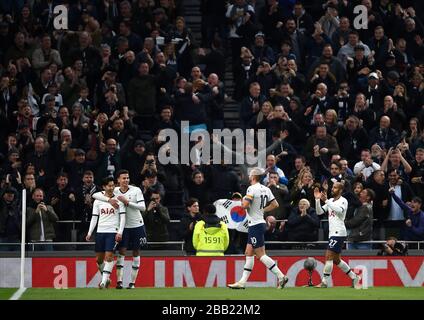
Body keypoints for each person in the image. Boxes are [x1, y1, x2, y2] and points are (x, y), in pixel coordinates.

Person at [228, 167, 289, 289]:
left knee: (261, 255)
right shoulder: (266, 189)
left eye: (250, 174)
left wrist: (242, 201)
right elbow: (275, 204)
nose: (249, 176)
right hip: (258, 222)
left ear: (253, 177)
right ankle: (242, 282)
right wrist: (263, 210)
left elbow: (245, 206)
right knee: (248, 253)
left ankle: (281, 276)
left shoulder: (251, 188)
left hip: (255, 224)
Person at [93, 170, 146, 289]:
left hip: (137, 225)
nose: (126, 180)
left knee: (136, 252)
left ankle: (132, 283)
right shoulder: (114, 190)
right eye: (123, 178)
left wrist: (128, 202)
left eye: (127, 178)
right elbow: (95, 195)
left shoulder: (136, 190)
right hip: (123, 227)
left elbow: (143, 207)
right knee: (121, 253)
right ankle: (119, 282)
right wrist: (109, 200)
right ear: (118, 180)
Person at [314, 182, 362, 288]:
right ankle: (355, 278)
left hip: (339, 232)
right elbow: (319, 212)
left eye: (335, 188)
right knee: (336, 260)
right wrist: (317, 200)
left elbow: (339, 211)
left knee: (328, 256)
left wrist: (325, 200)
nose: (332, 189)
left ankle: (324, 282)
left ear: (340, 190)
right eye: (333, 187)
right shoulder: (331, 201)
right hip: (332, 233)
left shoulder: (343, 201)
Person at [86, 177, 126, 289]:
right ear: (104, 187)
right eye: (109, 185)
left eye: (113, 185)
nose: (112, 188)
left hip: (112, 232)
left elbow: (123, 218)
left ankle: (103, 282)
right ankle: (107, 278)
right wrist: (89, 233)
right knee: (99, 260)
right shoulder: (98, 200)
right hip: (100, 232)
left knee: (109, 257)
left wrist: (120, 232)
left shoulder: (119, 199)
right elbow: (94, 217)